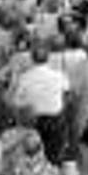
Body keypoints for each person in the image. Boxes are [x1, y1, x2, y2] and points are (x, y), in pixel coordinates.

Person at [9, 36, 71, 165]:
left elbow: (16, 102)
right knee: (52, 156)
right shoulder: (58, 75)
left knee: (33, 157)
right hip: (53, 120)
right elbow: (67, 95)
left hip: (34, 120)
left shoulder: (25, 77)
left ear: (32, 58)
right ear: (48, 57)